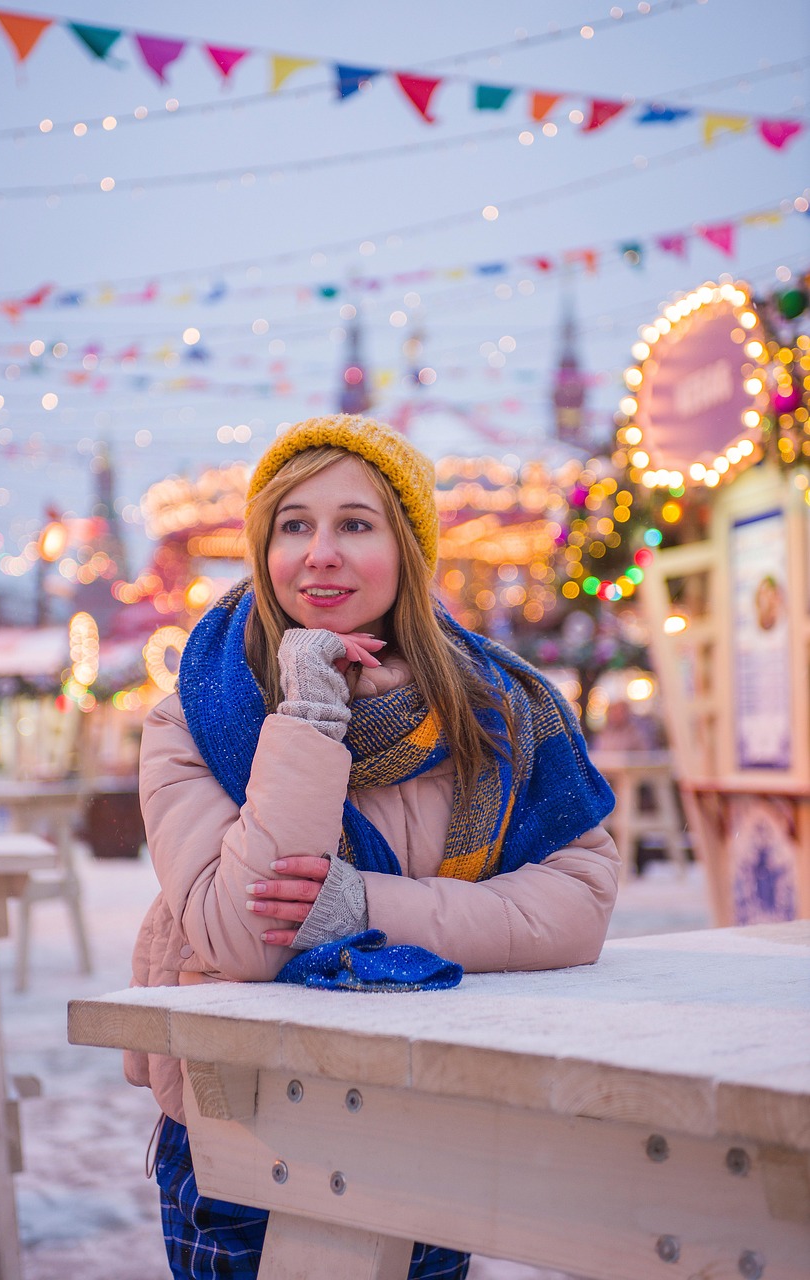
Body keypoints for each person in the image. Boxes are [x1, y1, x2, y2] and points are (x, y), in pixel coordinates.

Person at [126, 413, 620, 1280]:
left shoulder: (496, 717)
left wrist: (364, 910)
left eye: (356, 524)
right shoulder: (192, 720)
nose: (320, 554)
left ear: (407, 552)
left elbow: (578, 904)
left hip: (425, 1119)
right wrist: (309, 711)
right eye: (293, 526)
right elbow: (246, 935)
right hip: (244, 1124)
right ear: (263, 549)